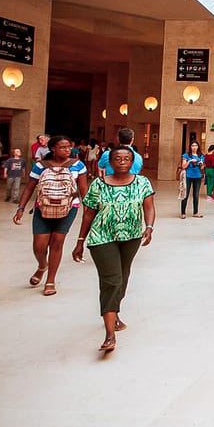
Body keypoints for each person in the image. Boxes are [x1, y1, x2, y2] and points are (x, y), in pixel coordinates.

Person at [75, 146, 155, 352]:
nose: (122, 161)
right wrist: (80, 241)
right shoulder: (98, 185)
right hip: (102, 237)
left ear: (132, 162)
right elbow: (88, 214)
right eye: (117, 158)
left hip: (131, 237)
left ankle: (114, 312)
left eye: (126, 158)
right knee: (112, 280)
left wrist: (149, 227)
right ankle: (109, 334)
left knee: (123, 277)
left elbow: (149, 207)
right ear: (109, 162)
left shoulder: (142, 182)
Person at [13, 136, 89, 296]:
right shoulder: (40, 166)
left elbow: (83, 189)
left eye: (69, 147)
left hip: (69, 208)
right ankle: (42, 266)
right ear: (53, 149)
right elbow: (29, 187)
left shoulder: (78, 166)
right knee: (39, 247)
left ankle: (50, 280)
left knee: (57, 242)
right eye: (63, 147)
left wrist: (88, 210)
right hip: (43, 208)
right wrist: (21, 208)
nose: (67, 150)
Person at [180, 141, 205, 218]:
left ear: (198, 147)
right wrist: (190, 161)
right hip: (188, 176)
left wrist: (201, 164)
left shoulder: (201, 156)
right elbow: (183, 166)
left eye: (196, 145)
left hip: (197, 176)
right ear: (190, 147)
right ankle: (183, 213)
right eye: (193, 145)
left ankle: (195, 212)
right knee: (185, 195)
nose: (194, 147)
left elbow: (202, 168)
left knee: (196, 195)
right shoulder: (186, 155)